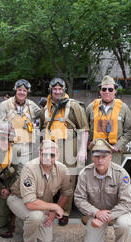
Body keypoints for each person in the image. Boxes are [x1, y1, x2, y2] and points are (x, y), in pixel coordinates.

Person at [7, 140, 72, 242]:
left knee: (45, 241)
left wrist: (52, 213)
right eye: (44, 154)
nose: (48, 158)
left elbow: (66, 193)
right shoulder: (30, 168)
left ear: (57, 155)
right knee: (34, 216)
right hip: (19, 199)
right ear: (39, 153)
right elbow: (30, 204)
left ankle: (20, 221)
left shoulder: (62, 170)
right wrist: (55, 207)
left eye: (52, 155)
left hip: (41, 204)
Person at [74, 139, 131, 242]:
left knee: (125, 224)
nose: (100, 160)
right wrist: (96, 213)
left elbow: (128, 203)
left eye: (104, 156)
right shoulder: (85, 174)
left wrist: (105, 217)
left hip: (117, 212)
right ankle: (99, 232)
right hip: (95, 213)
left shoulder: (121, 174)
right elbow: (79, 199)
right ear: (92, 157)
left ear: (110, 157)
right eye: (96, 156)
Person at [41, 77, 89, 226]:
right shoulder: (45, 108)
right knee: (47, 179)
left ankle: (64, 212)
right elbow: (43, 128)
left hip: (69, 146)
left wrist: (82, 149)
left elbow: (84, 128)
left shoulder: (74, 106)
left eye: (60, 89)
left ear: (64, 90)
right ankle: (48, 209)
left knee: (68, 180)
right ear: (50, 90)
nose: (57, 91)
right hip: (50, 147)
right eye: (54, 89)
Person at [0, 79, 41, 174]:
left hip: (26, 147)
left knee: (24, 173)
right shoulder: (5, 105)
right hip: (9, 145)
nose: (22, 93)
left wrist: (47, 105)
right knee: (7, 173)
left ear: (28, 92)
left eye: (24, 91)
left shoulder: (31, 105)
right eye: (19, 90)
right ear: (15, 90)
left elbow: (43, 115)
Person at [85, 75, 131, 164]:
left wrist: (118, 145)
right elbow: (84, 128)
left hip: (113, 153)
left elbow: (129, 131)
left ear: (115, 90)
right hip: (95, 152)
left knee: (113, 176)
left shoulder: (123, 108)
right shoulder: (91, 107)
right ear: (100, 91)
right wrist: (86, 144)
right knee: (92, 176)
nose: (107, 92)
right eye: (104, 89)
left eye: (110, 89)